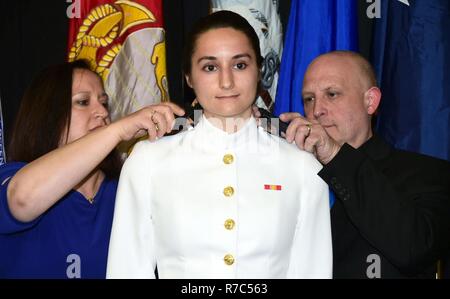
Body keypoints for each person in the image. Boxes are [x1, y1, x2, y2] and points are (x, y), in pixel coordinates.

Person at [106, 10, 332, 279]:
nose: (226, 82)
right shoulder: (148, 160)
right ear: (189, 78)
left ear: (259, 70)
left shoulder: (302, 165)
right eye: (210, 67)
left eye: (240, 65)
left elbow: (312, 271)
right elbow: (127, 270)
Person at [0, 60, 184, 278]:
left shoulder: (127, 186)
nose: (101, 112)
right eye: (83, 102)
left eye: (104, 103)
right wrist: (119, 130)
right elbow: (22, 199)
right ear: (48, 115)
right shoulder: (13, 176)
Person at [280, 51, 450, 278]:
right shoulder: (290, 175)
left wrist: (335, 155)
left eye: (332, 94)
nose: (317, 109)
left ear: (370, 101)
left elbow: (413, 248)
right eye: (309, 99)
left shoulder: (429, 174)